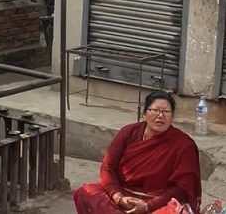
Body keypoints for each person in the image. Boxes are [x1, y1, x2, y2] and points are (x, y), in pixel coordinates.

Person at [73, 90, 201, 214]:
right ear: (144, 113)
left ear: (172, 116)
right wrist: (118, 197)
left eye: (166, 111)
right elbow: (108, 167)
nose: (160, 116)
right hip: (124, 194)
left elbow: (182, 187)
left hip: (159, 201)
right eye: (155, 110)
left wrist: (149, 206)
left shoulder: (184, 145)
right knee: (85, 193)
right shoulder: (128, 132)